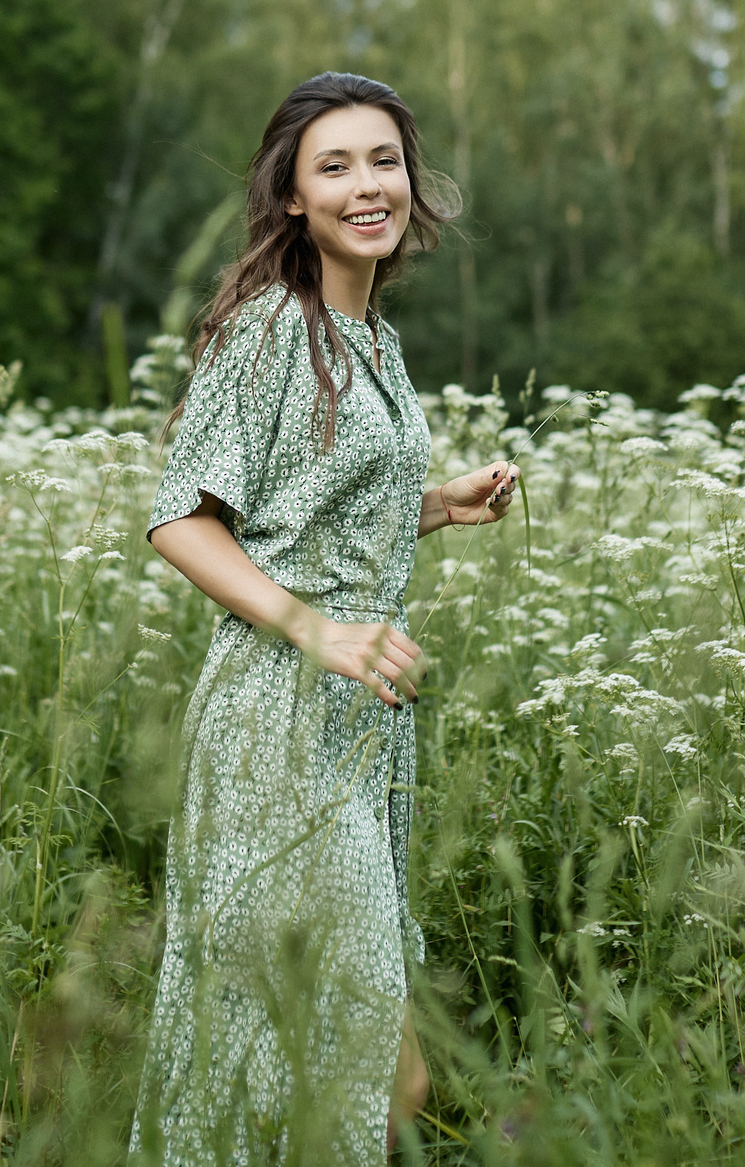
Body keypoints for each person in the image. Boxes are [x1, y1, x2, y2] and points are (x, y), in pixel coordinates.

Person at [130, 72, 522, 1164]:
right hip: (276, 720)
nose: (367, 186)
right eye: (334, 166)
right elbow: (181, 521)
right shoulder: (269, 331)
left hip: (363, 720)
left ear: (413, 183)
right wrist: (315, 630)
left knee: (355, 1058)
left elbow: (315, 516)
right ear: (292, 197)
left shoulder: (375, 343)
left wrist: (436, 506)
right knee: (361, 1059)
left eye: (384, 161)